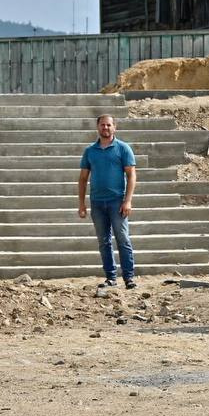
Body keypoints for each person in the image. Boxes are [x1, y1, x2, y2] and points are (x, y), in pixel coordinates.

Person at [77, 114, 138, 289]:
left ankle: (129, 278)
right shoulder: (90, 151)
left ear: (114, 127)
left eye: (108, 125)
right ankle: (111, 278)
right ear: (98, 127)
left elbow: (131, 175)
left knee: (123, 239)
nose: (105, 128)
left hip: (117, 202)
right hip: (97, 203)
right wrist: (82, 204)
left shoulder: (123, 148)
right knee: (103, 241)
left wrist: (128, 201)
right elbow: (82, 179)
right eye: (102, 125)